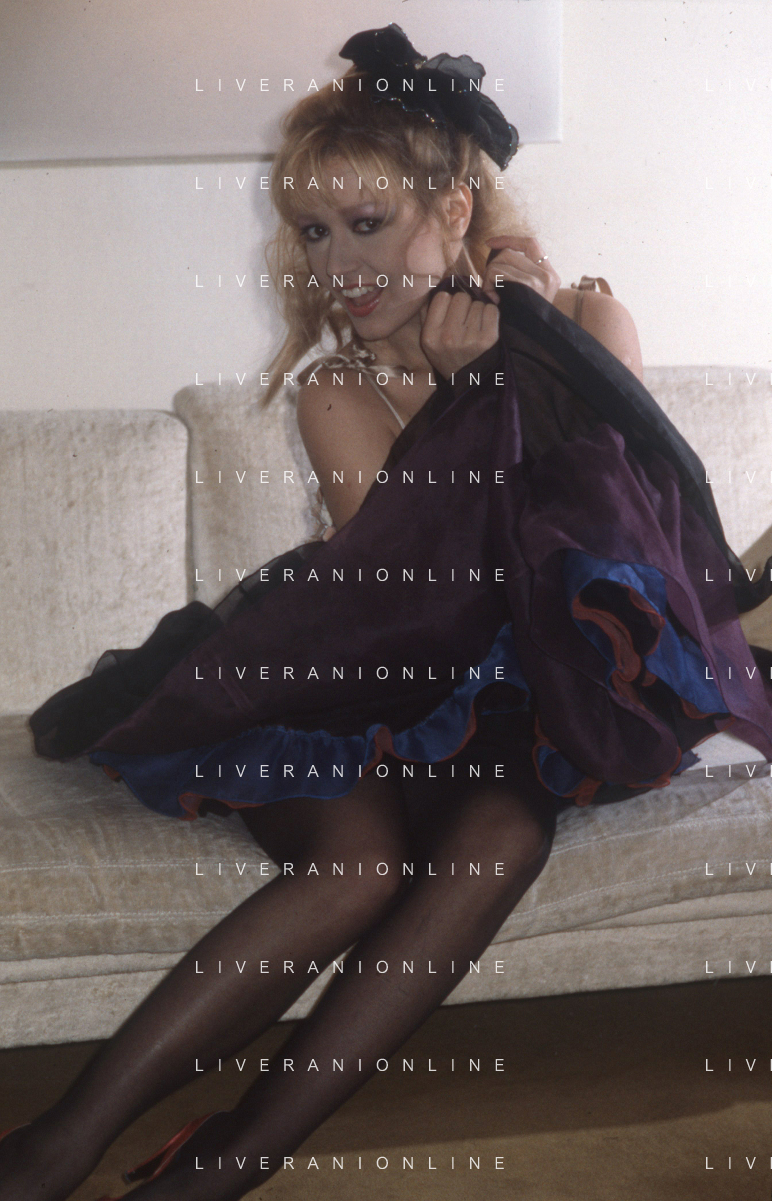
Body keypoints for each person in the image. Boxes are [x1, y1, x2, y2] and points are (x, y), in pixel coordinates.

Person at [2, 22, 771, 1201]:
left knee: (506, 833)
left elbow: (618, 548)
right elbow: (414, 604)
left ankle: (229, 1158)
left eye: (367, 223)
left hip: (523, 687)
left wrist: (520, 368)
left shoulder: (589, 331)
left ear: (455, 210)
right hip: (346, 668)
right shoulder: (337, 389)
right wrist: (469, 399)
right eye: (314, 232)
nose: (338, 265)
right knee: (356, 869)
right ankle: (58, 1143)